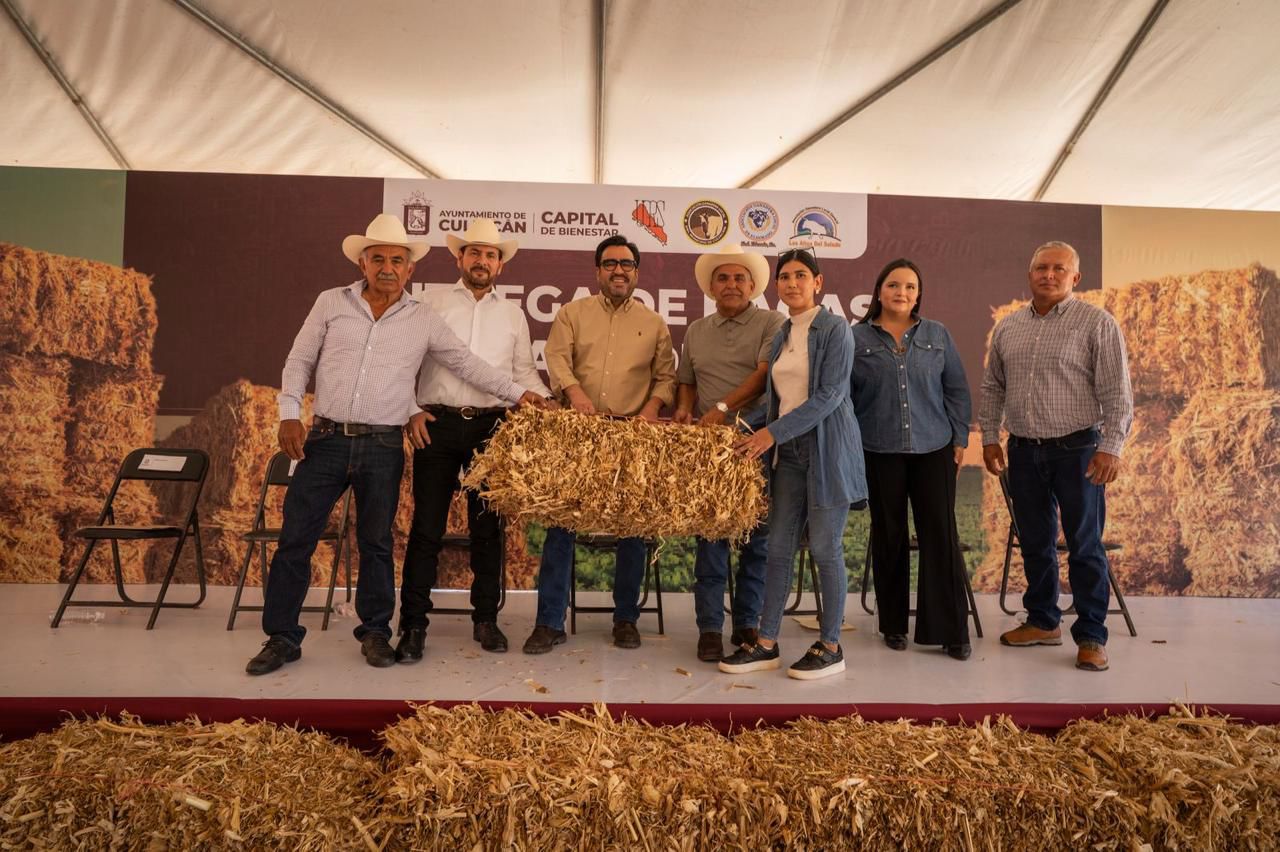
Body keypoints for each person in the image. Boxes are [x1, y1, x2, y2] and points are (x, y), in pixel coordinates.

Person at [246, 214, 546, 676]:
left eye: (397, 260)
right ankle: (281, 637)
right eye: (379, 259)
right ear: (363, 263)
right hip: (325, 438)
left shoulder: (421, 317)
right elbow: (299, 359)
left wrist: (521, 395)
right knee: (296, 540)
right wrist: (289, 414)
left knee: (377, 544)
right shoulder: (331, 302)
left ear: (410, 269)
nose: (388, 267)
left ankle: (375, 632)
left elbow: (465, 363)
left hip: (383, 445)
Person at [394, 218, 553, 663]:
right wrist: (409, 408)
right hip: (437, 424)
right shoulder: (429, 302)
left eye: (490, 255)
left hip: (492, 429)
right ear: (459, 258)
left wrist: (548, 404)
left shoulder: (513, 314)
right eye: (475, 252)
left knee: (487, 530)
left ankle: (485, 620)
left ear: (501, 265)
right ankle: (412, 625)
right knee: (426, 528)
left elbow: (523, 372)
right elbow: (402, 361)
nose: (482, 261)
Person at [979, 241, 1133, 672]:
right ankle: (1044, 621)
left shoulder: (1097, 323)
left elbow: (1117, 392)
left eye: (1059, 269)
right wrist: (989, 437)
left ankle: (1091, 635)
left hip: (1078, 450)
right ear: (1029, 274)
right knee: (1034, 542)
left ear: (1075, 277)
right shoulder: (1008, 327)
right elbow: (993, 387)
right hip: (1023, 450)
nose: (1049, 275)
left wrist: (1111, 447)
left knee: (1084, 544)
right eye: (1041, 268)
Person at [522, 234, 677, 654]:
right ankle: (549, 622)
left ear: (637, 273)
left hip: (631, 435)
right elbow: (557, 358)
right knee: (560, 527)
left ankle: (625, 619)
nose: (618, 270)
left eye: (626, 264)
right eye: (610, 263)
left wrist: (651, 409)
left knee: (632, 530)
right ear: (597, 271)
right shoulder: (572, 314)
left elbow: (665, 376)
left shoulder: (654, 323)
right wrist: (575, 394)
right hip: (578, 433)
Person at [719, 249, 867, 681]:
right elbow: (777, 399)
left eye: (801, 275)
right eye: (784, 277)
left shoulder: (836, 329)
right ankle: (766, 643)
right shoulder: (782, 332)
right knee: (778, 548)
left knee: (824, 548)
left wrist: (771, 434)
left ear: (817, 283)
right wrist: (734, 426)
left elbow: (830, 395)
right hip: (789, 455)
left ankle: (831, 647)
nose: (792, 283)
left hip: (827, 452)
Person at [852, 258, 973, 661]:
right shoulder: (856, 338)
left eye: (909, 286)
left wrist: (959, 438)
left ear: (918, 294)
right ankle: (893, 625)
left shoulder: (937, 334)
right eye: (893, 285)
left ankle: (951, 631)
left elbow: (956, 389)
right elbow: (845, 398)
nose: (900, 292)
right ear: (879, 291)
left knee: (940, 536)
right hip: (878, 451)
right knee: (889, 537)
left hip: (933, 450)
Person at [673, 244, 784, 662]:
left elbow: (763, 377)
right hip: (711, 450)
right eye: (723, 278)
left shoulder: (773, 322)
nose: (731, 284)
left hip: (756, 442)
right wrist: (685, 408)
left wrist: (722, 409)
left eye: (739, 278)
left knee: (757, 539)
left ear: (753, 286)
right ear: (711, 287)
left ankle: (747, 624)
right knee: (711, 539)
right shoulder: (697, 330)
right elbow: (686, 380)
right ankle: (708, 629)